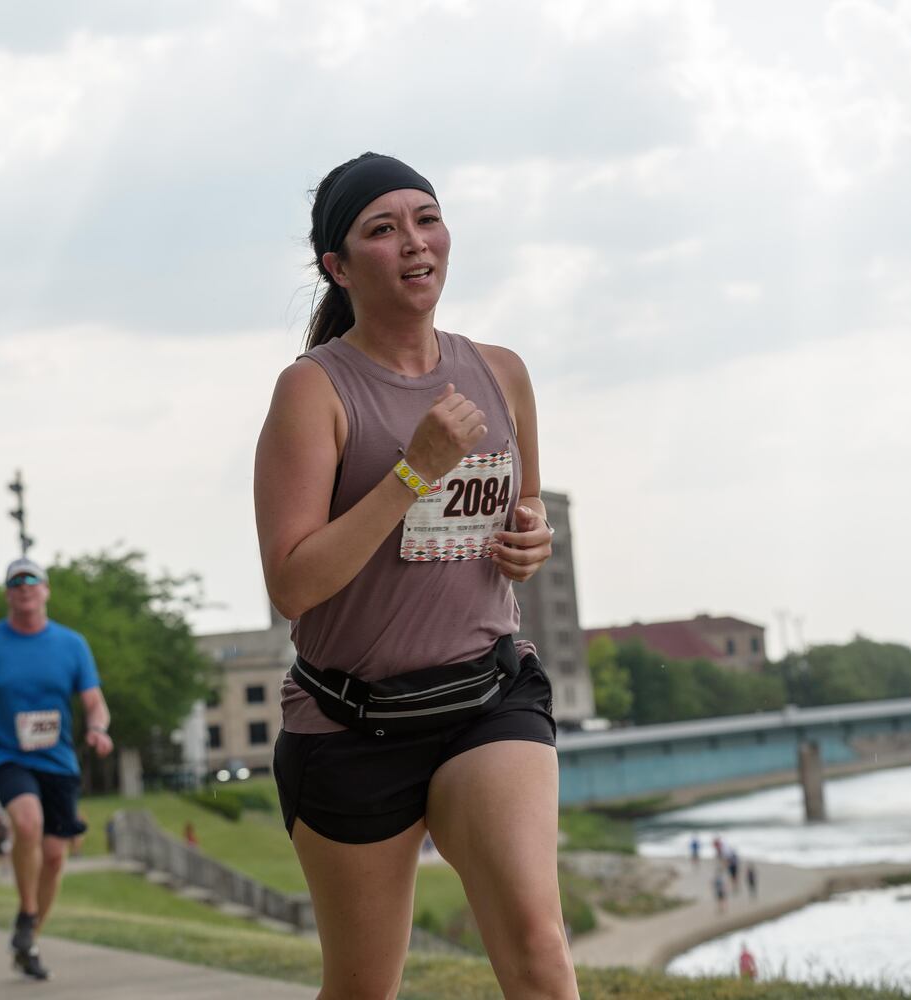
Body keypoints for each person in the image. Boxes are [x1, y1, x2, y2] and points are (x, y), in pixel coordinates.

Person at [256, 153, 576, 998]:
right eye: (383, 229)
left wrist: (532, 540)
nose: (414, 242)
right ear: (338, 266)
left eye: (426, 219)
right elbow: (292, 585)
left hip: (487, 699)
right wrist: (413, 471)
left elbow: (525, 507)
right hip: (352, 723)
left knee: (539, 953)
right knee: (364, 987)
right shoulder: (314, 391)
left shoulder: (501, 372)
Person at [0, 557, 114, 981]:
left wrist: (98, 728)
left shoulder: (72, 644)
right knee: (27, 823)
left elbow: (94, 702)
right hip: (4, 753)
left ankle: (28, 938)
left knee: (54, 856)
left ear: (46, 590)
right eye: (16, 582)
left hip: (58, 760)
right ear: (7, 594)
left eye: (33, 580)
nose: (25, 587)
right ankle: (27, 912)